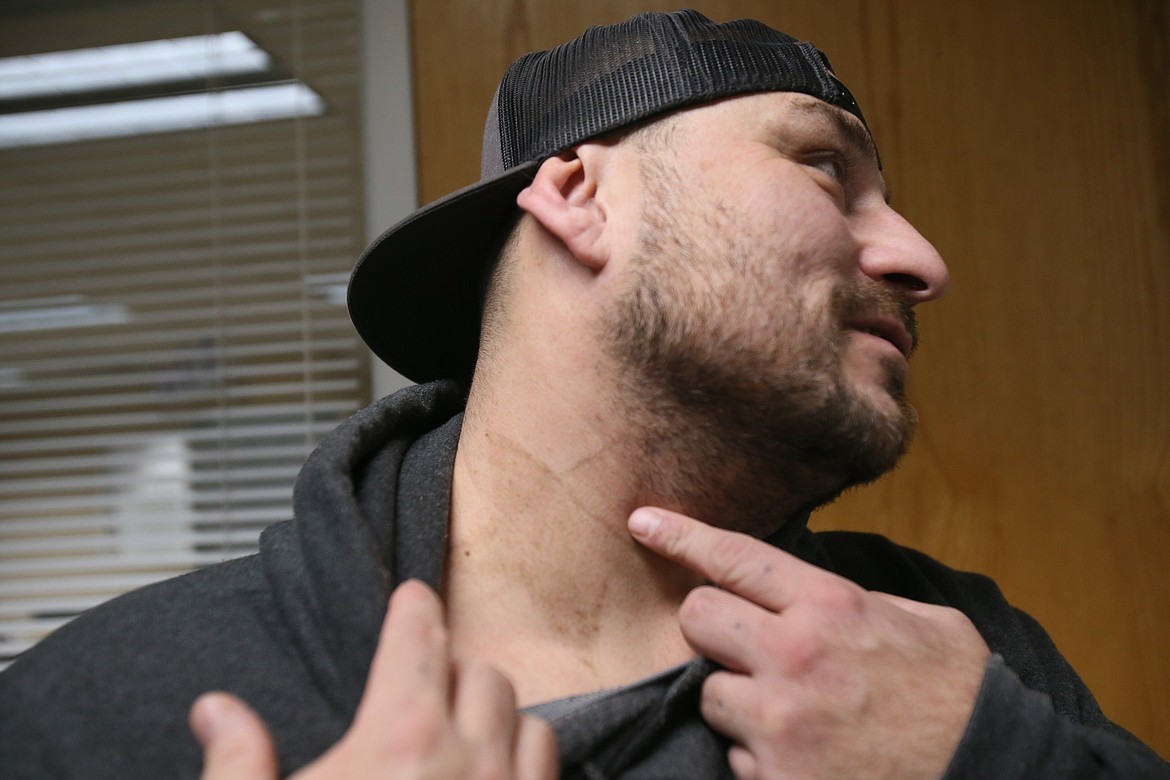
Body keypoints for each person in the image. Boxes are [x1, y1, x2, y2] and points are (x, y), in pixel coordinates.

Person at [1, 10, 1167, 780]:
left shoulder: (957, 659)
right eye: (824, 166)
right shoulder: (102, 708)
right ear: (579, 195)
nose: (922, 258)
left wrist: (997, 762)